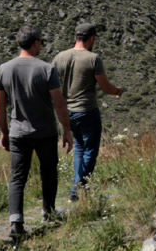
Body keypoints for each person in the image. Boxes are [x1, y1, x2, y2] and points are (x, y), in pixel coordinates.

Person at [0, 25, 74, 240]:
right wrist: (67, 130)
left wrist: (4, 132)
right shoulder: (47, 69)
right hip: (45, 132)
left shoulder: (4, 69)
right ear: (36, 43)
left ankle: (16, 223)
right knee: (48, 172)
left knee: (17, 177)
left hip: (18, 133)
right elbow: (59, 104)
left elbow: (0, 106)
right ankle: (48, 213)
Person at [52, 21, 123, 201]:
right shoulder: (92, 58)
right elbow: (105, 87)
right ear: (91, 39)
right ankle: (78, 190)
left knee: (79, 148)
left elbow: (51, 84)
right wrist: (117, 91)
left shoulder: (59, 57)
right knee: (90, 150)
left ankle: (78, 188)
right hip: (87, 110)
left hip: (67, 112)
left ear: (75, 37)